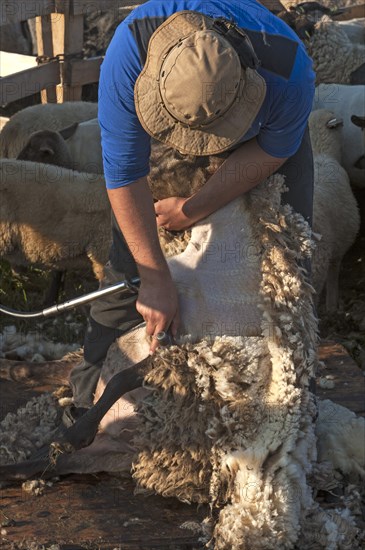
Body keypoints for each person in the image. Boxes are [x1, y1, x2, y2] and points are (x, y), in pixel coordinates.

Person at [66, 0, 315, 421]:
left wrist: (194, 208)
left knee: (285, 261)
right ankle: (88, 393)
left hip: (257, 131)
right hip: (167, 111)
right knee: (131, 260)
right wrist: (153, 276)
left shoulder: (291, 73)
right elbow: (125, 176)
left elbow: (272, 151)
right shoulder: (128, 57)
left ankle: (283, 402)